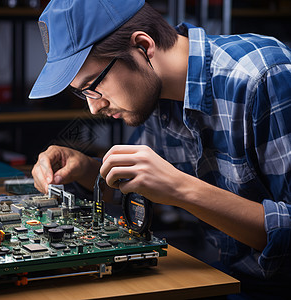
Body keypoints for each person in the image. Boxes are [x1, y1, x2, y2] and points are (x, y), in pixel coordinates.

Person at [29, 0, 291, 298]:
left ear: (143, 46)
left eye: (94, 86)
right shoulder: (153, 93)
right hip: (230, 277)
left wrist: (182, 189)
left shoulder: (265, 77)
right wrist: (87, 168)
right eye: (82, 92)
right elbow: (139, 188)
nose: (93, 106)